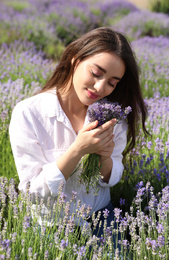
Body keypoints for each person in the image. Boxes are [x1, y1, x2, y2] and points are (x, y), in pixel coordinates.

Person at [9, 27, 148, 247]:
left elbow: (111, 177)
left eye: (112, 82)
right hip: (51, 226)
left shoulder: (112, 116)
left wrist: (104, 156)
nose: (101, 87)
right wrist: (77, 149)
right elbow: (34, 194)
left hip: (102, 218)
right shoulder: (28, 113)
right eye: (96, 73)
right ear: (75, 60)